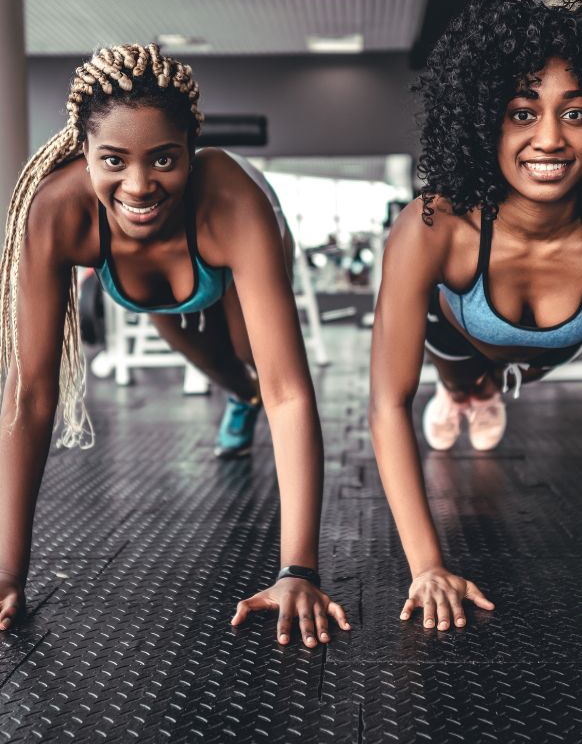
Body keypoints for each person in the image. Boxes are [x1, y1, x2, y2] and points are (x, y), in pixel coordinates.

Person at [0, 44, 349, 646]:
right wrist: (6, 573)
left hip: (224, 239)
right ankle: (241, 398)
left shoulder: (230, 200)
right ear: (85, 155)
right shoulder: (56, 211)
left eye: (164, 158)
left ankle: (247, 389)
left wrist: (299, 571)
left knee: (253, 354)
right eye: (114, 160)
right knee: (203, 346)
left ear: (191, 148)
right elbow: (31, 394)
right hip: (154, 284)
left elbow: (290, 392)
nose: (138, 184)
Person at [369, 0, 582, 634]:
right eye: (523, 112)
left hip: (550, 348)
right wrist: (427, 565)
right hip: (456, 329)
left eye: (577, 113)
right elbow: (388, 405)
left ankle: (485, 391)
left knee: (504, 374)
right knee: (459, 375)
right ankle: (465, 393)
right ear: (484, 120)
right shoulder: (433, 226)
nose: (550, 138)